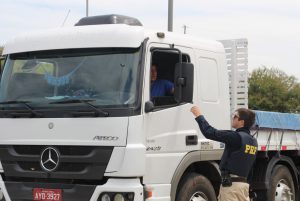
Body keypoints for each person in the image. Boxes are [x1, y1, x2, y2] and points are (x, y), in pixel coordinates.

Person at [191, 106, 258, 201]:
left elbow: (210, 132)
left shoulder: (235, 137)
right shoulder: (253, 141)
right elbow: (251, 167)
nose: (232, 118)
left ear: (242, 122)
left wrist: (198, 115)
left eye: (235, 116)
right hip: (244, 187)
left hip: (231, 187)